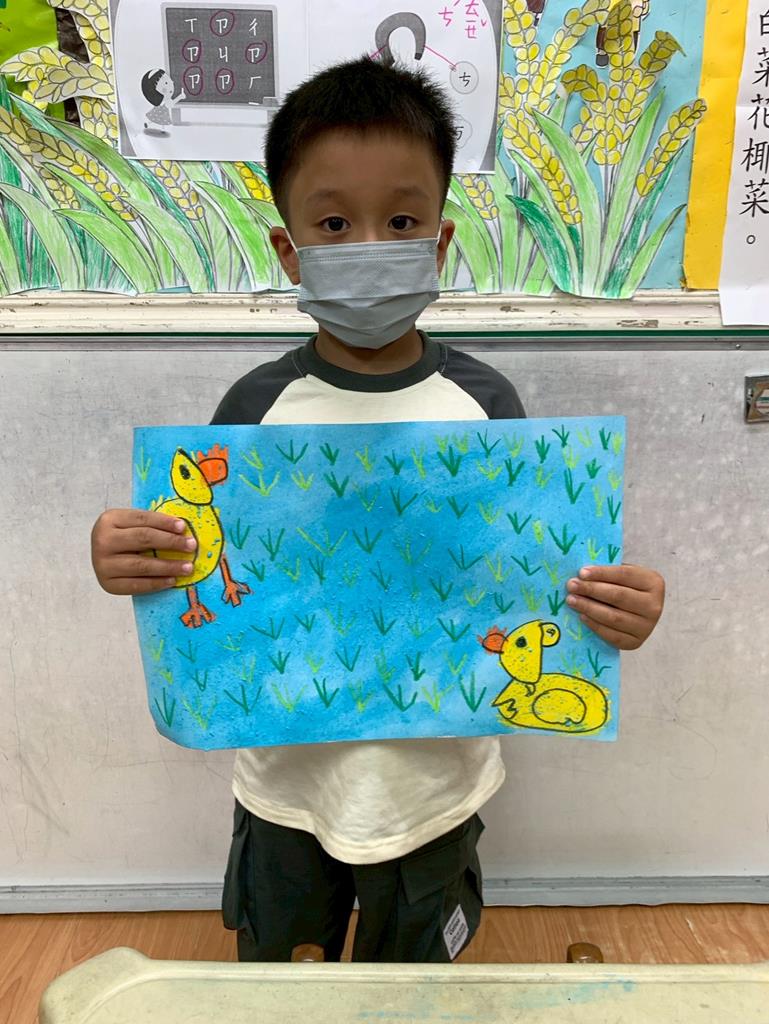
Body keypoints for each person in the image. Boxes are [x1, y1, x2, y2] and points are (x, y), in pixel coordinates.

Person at [90, 57, 665, 964]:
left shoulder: (488, 409)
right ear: (289, 250)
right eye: (332, 223)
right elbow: (197, 555)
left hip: (435, 792)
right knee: (281, 984)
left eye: (400, 221)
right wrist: (126, 555)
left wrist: (615, 609)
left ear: (438, 241)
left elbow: (535, 584)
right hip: (283, 785)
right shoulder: (250, 412)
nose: (367, 244)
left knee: (415, 988)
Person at [141, 68, 185, 134]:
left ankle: (157, 127)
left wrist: (180, 96)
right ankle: (158, 127)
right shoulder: (165, 100)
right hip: (162, 111)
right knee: (161, 120)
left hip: (159, 111)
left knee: (156, 119)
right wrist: (180, 97)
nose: (172, 82)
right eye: (166, 83)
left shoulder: (165, 99)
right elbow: (172, 103)